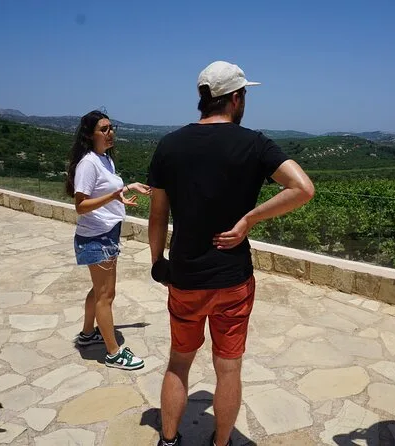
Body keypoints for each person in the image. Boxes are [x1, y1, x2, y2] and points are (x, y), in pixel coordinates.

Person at [147, 61, 315, 446]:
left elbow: (157, 215)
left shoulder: (169, 144)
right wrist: (248, 220)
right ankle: (221, 443)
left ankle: (168, 440)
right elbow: (303, 188)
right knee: (228, 369)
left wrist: (158, 262)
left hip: (185, 276)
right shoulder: (254, 143)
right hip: (233, 279)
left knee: (179, 362)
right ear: (236, 98)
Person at [65, 110, 149, 370]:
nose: (110, 133)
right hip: (96, 237)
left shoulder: (105, 160)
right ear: (90, 135)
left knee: (98, 290)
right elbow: (81, 205)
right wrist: (113, 197)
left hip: (107, 233)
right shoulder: (88, 164)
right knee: (106, 295)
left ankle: (88, 334)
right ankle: (113, 353)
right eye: (103, 129)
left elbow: (108, 191)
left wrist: (128, 187)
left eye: (111, 128)